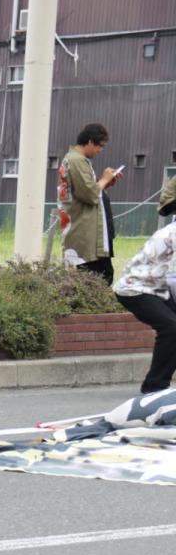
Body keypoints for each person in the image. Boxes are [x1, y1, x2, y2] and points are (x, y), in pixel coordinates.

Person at [113, 221, 176, 393]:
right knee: (171, 328)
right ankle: (154, 387)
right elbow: (172, 276)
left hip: (158, 287)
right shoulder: (172, 233)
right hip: (135, 289)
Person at [59, 122, 121, 284]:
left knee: (97, 276)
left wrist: (106, 183)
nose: (100, 150)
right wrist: (104, 179)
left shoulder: (73, 159)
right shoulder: (77, 161)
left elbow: (89, 191)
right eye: (100, 146)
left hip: (81, 229)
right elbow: (90, 194)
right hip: (85, 233)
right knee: (99, 278)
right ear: (90, 142)